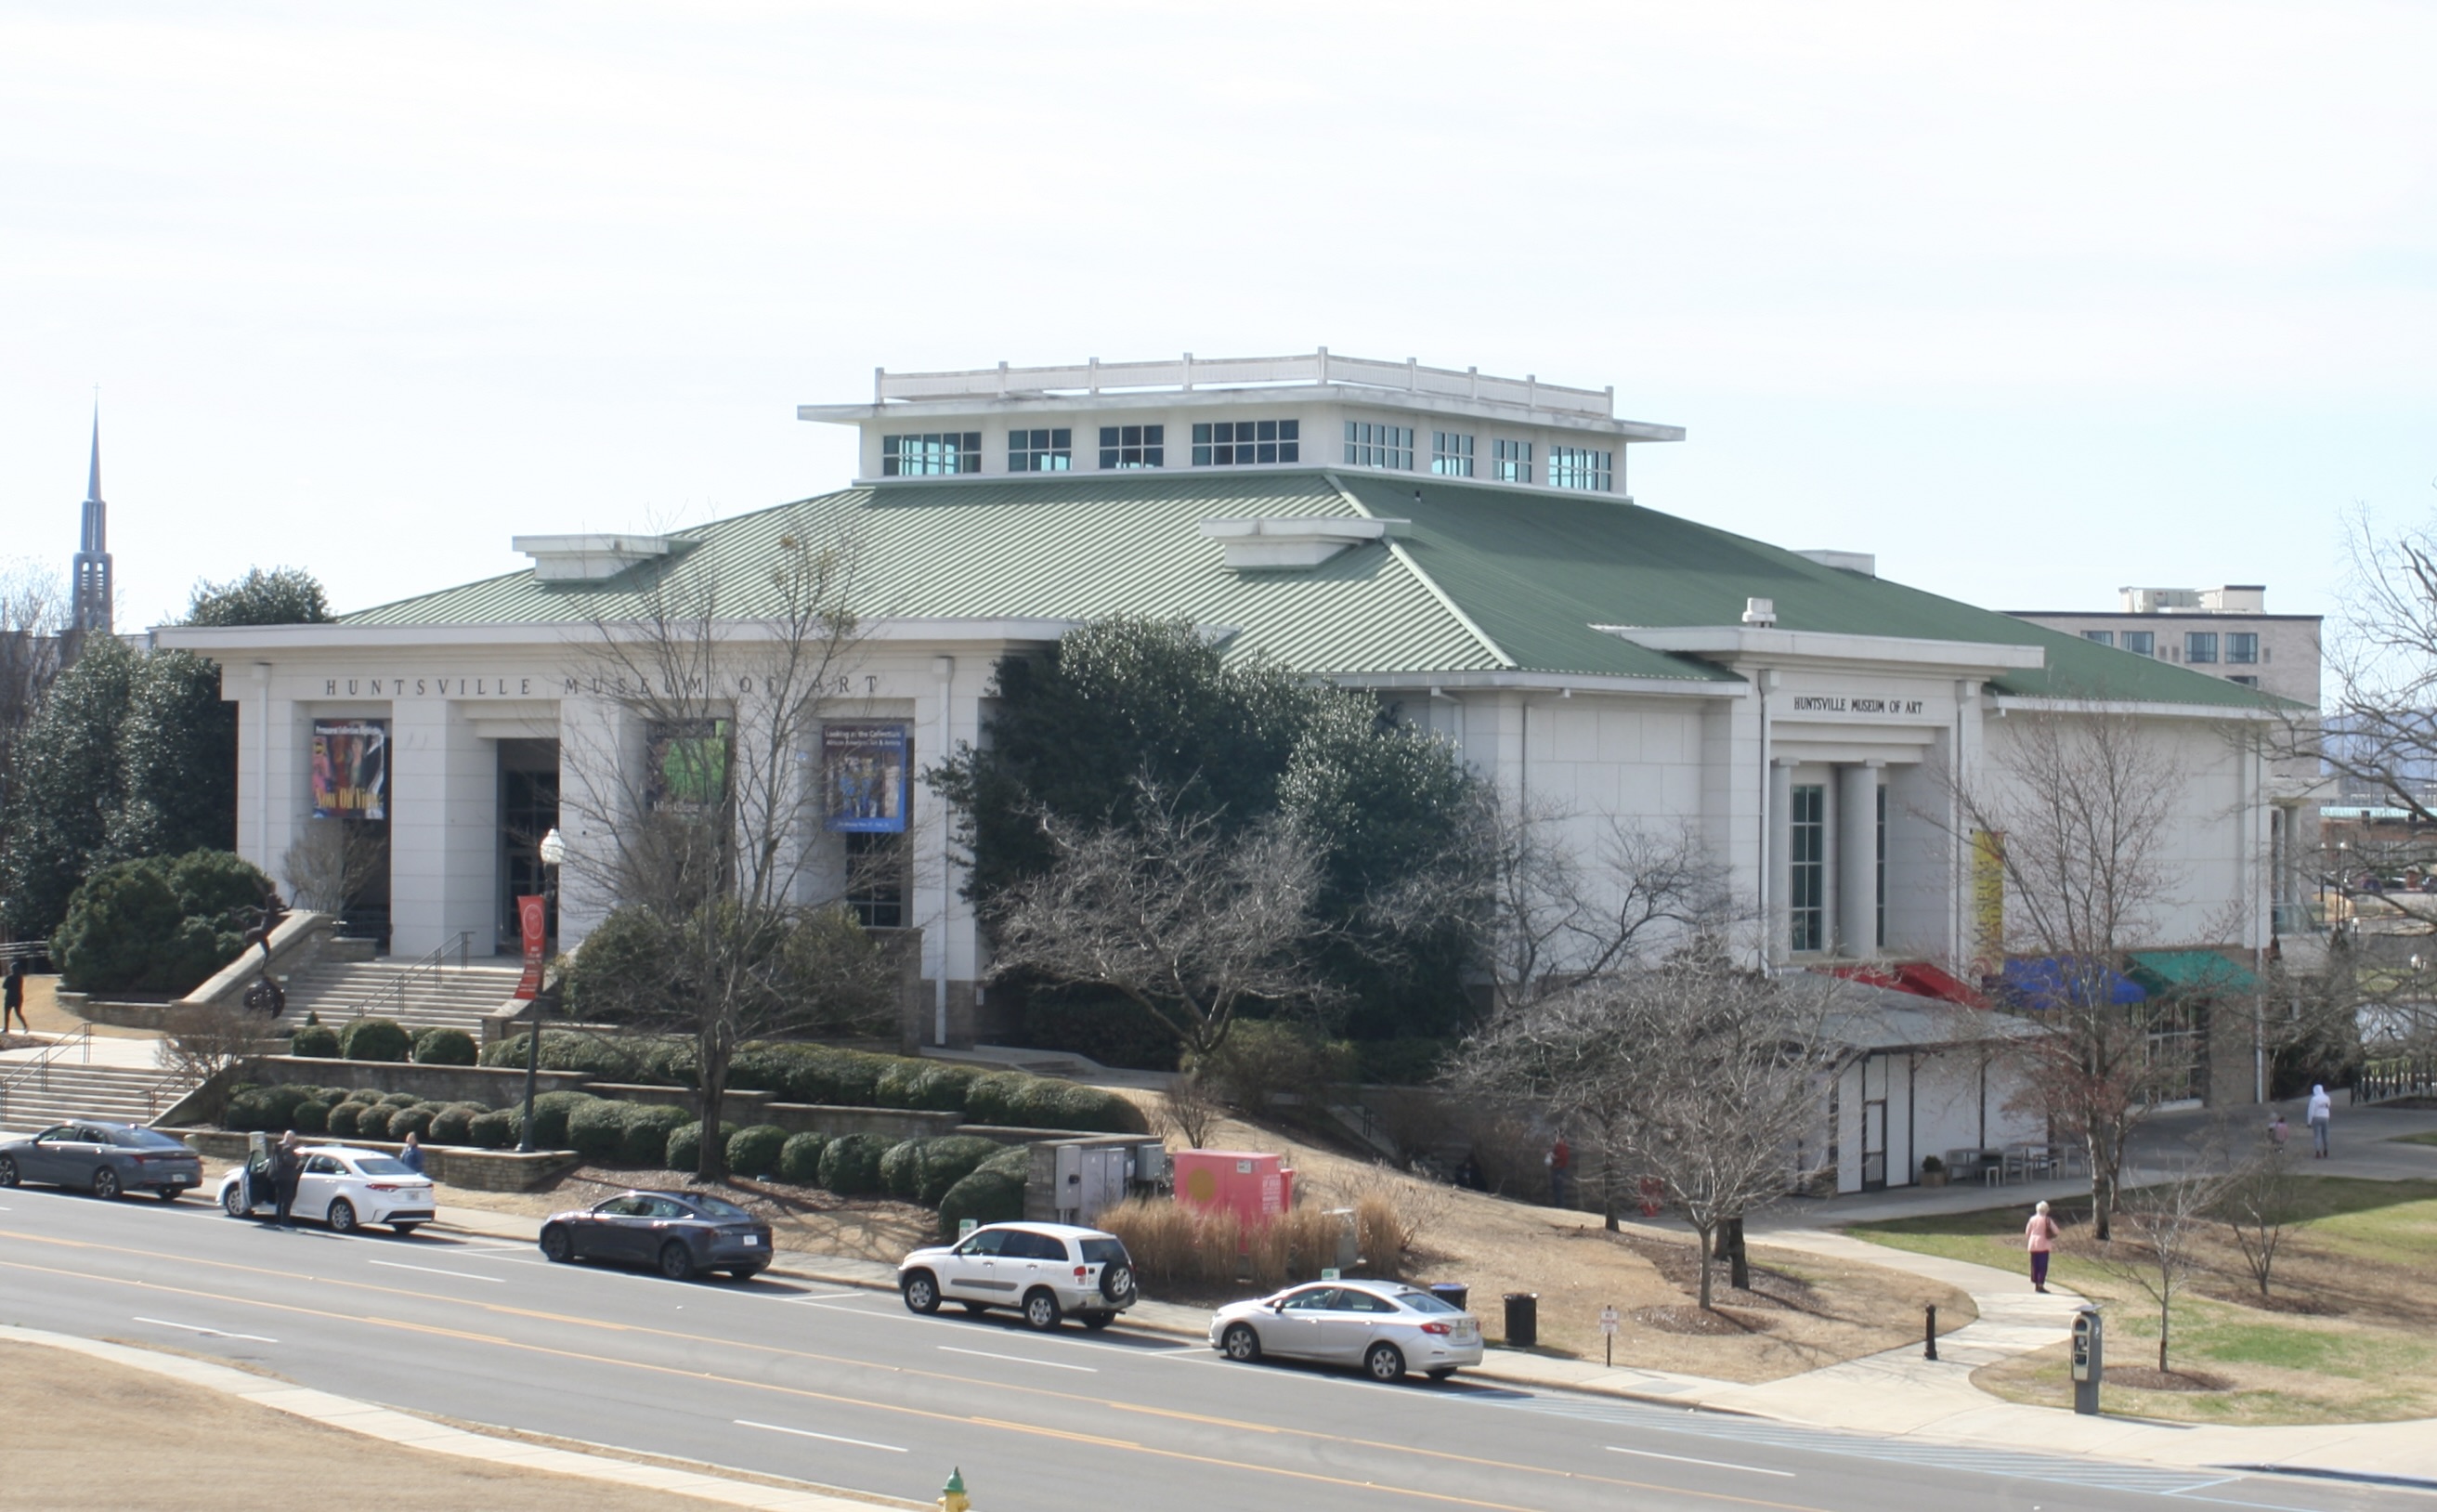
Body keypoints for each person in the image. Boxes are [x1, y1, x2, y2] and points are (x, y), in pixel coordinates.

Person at [2025, 1199, 2061, 1293]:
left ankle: (2036, 1282)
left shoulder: (2032, 1219)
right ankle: (2040, 1284)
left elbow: (2027, 1232)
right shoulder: (2047, 1220)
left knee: (2034, 1264)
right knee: (2042, 1265)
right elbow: (2056, 1231)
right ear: (2046, 1210)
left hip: (2033, 1244)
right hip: (2044, 1244)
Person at [272, 1130, 303, 1229]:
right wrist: (298, 1158)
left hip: (278, 1176)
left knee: (280, 1200)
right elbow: (289, 1161)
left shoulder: (278, 1146)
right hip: (286, 1177)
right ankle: (285, 1222)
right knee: (286, 1200)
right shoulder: (287, 1148)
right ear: (289, 1138)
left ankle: (278, 1220)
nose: (294, 1141)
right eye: (293, 1138)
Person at [1545, 1135, 1572, 1208]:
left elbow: (1563, 1157)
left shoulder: (1563, 1147)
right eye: (1557, 1139)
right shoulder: (1556, 1147)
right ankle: (1557, 1204)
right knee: (1556, 1187)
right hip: (1555, 1169)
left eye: (1559, 1139)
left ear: (1562, 1140)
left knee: (1559, 1187)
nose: (1557, 1140)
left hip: (1560, 1169)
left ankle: (1560, 1205)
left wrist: (1553, 1157)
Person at [2307, 1083, 2333, 1158]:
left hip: (2316, 1117)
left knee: (2317, 1136)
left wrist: (2309, 1122)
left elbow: (2311, 1111)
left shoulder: (2314, 1099)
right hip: (2325, 1117)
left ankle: (2318, 1151)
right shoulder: (2327, 1098)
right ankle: (2326, 1149)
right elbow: (2328, 1106)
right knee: (2325, 1134)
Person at [2, 959, 28, 1034]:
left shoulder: (10, 977)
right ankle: (25, 1026)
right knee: (18, 1013)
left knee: (7, 1014)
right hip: (18, 997)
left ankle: (6, 1028)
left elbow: (4, 986)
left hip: (10, 997)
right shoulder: (20, 978)